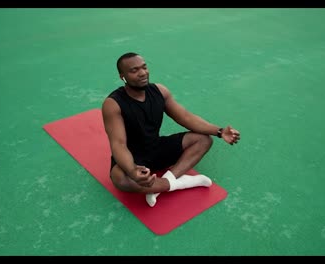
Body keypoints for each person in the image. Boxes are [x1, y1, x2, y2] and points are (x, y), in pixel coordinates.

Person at [102, 52, 240, 207]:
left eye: (144, 67)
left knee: (203, 140)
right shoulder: (113, 103)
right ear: (123, 77)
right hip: (132, 156)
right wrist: (133, 170)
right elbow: (118, 144)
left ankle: (161, 185)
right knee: (120, 179)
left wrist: (219, 131)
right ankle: (181, 183)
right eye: (134, 71)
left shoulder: (160, 91)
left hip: (156, 148)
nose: (142, 73)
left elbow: (186, 117)